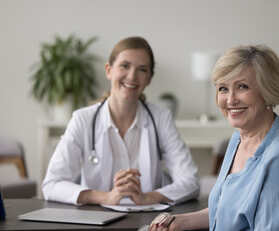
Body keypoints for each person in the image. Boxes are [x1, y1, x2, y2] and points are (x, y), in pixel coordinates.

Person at [143, 45, 279, 231]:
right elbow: (227, 212)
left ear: (267, 91)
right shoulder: (238, 138)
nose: (230, 100)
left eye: (242, 87)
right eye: (223, 88)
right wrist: (180, 221)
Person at [42, 36, 200, 206]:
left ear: (149, 78)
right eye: (125, 66)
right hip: (95, 223)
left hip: (148, 221)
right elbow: (51, 184)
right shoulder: (83, 119)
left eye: (142, 69)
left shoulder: (161, 118)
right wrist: (107, 197)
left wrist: (147, 198)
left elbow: (191, 181)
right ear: (109, 70)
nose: (132, 76)